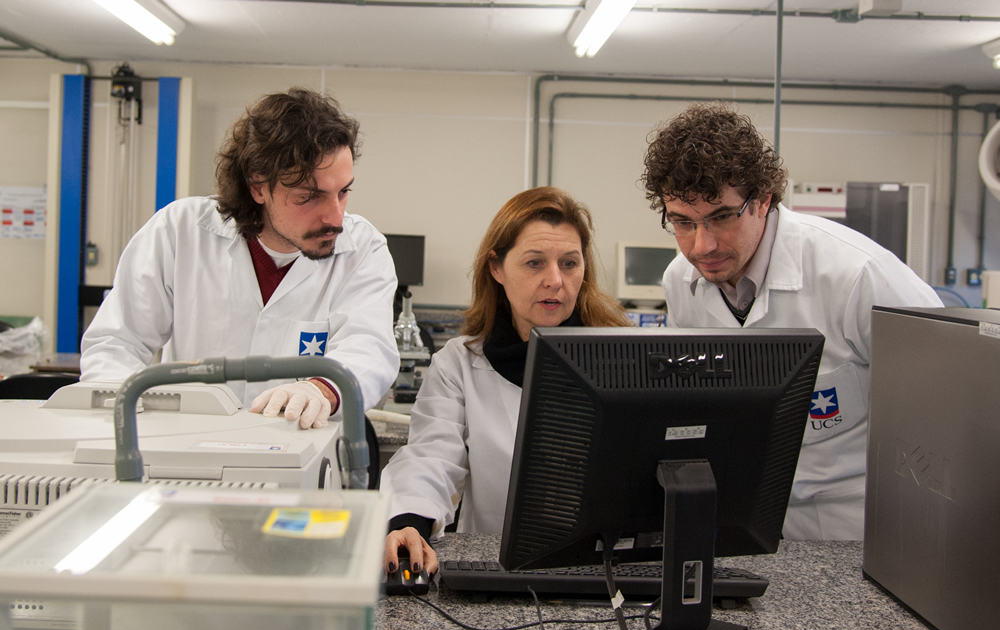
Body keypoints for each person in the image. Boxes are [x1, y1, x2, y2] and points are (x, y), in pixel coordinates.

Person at [642, 103, 943, 541]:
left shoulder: (858, 276)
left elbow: (953, 410)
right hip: (746, 516)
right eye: (683, 223)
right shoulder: (680, 281)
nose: (702, 245)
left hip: (858, 526)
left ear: (763, 199)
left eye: (721, 217)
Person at [80, 88, 399, 428]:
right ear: (258, 186)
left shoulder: (363, 248)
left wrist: (322, 388)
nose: (335, 218)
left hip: (301, 444)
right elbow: (117, 340)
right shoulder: (180, 232)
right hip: (185, 443)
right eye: (309, 196)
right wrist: (124, 415)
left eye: (343, 192)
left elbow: (369, 347)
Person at [380, 187, 632, 575]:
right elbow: (431, 454)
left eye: (569, 263)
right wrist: (408, 521)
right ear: (496, 268)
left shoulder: (623, 358)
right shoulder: (460, 363)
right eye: (534, 263)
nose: (555, 280)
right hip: (496, 570)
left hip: (612, 573)